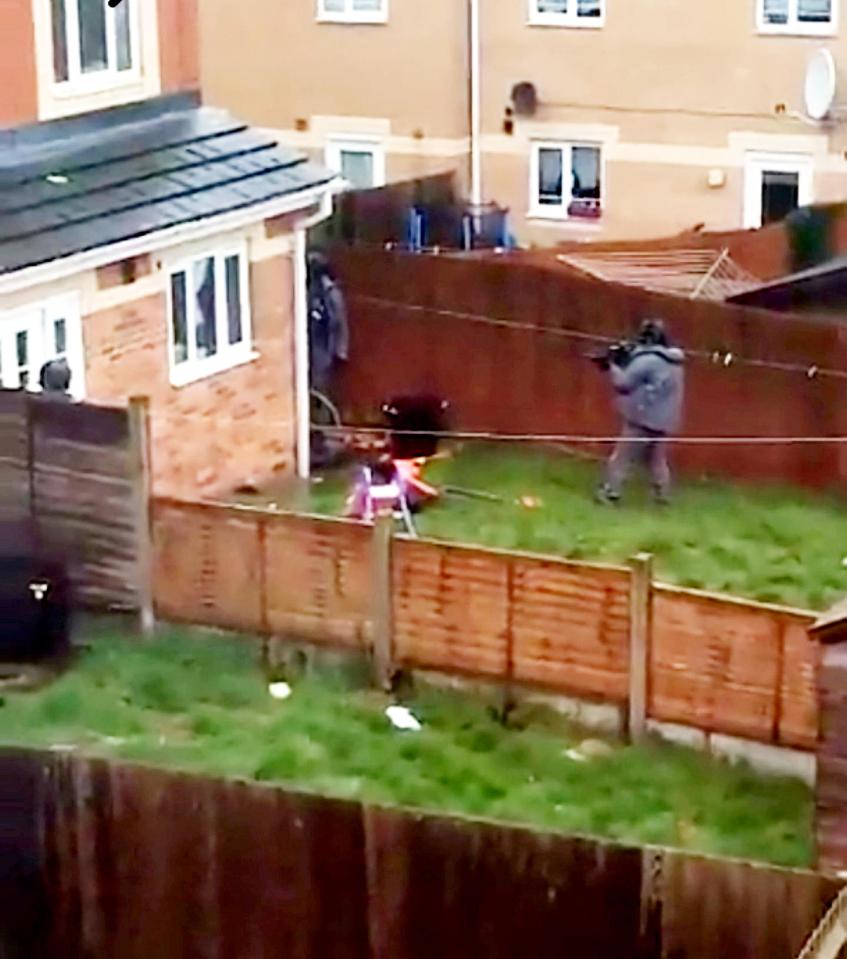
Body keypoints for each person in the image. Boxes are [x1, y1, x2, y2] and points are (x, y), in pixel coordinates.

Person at [596, 318, 685, 506]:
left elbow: (623, 384)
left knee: (622, 458)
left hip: (642, 418)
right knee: (657, 461)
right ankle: (662, 497)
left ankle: (610, 493)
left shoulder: (648, 360)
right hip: (666, 419)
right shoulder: (675, 362)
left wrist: (611, 366)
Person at [307, 251, 349, 396]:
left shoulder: (330, 292)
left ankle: (320, 413)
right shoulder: (305, 289)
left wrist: (340, 350)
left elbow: (339, 321)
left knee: (320, 385)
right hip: (309, 344)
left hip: (323, 344)